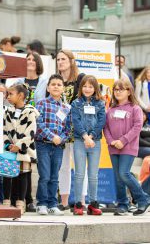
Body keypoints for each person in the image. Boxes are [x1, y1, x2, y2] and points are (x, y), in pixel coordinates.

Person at [103, 79, 150, 216]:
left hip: (128, 147)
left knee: (124, 173)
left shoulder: (135, 108)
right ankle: (123, 204)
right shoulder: (110, 109)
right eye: (115, 89)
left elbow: (137, 127)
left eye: (121, 89)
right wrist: (111, 141)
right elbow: (106, 127)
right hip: (113, 147)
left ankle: (144, 199)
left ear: (128, 91)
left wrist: (123, 140)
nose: (118, 92)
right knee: (117, 176)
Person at [14, 51, 48, 211]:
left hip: (37, 127)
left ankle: (29, 199)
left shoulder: (44, 82)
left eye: (34, 59)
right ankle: (22, 198)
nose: (30, 61)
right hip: (19, 126)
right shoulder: (18, 81)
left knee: (30, 163)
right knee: (21, 161)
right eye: (28, 59)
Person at [35, 74, 72, 216]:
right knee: (44, 175)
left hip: (58, 146)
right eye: (53, 84)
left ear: (63, 88)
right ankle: (42, 203)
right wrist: (52, 136)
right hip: (43, 144)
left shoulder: (66, 108)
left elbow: (68, 128)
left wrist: (61, 138)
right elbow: (39, 123)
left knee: (54, 176)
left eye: (59, 84)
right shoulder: (41, 103)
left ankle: (52, 204)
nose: (56, 86)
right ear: (48, 88)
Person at [71, 75, 106, 216]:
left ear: (95, 88)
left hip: (95, 142)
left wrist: (91, 137)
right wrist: (85, 136)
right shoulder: (75, 103)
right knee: (79, 174)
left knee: (93, 175)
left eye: (90, 86)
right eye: (85, 86)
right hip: (80, 141)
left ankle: (93, 203)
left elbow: (101, 122)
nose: (87, 89)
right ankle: (78, 203)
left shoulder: (100, 104)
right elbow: (76, 121)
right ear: (81, 88)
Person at [2, 83, 38, 214]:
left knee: (23, 175)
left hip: (24, 151)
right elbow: (4, 130)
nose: (8, 96)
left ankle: (20, 202)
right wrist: (8, 144)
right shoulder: (7, 112)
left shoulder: (30, 112)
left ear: (21, 96)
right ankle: (6, 200)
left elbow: (31, 132)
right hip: (9, 150)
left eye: (11, 94)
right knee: (7, 174)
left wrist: (20, 146)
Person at [56, 49, 85, 210]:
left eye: (63, 59)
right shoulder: (55, 80)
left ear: (71, 61)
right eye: (58, 59)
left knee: (80, 167)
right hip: (61, 129)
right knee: (63, 167)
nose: (60, 62)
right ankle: (64, 202)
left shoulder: (80, 79)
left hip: (78, 129)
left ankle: (82, 201)